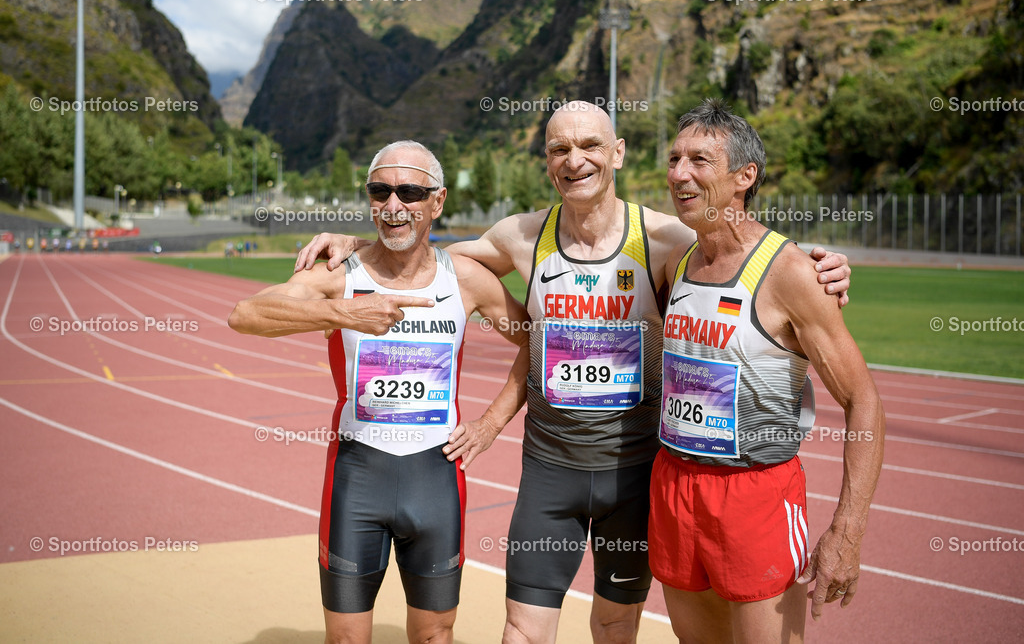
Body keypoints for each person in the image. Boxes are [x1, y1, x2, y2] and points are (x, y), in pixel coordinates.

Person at [293, 101, 853, 644]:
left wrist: (817, 262)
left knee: (615, 630)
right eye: (559, 147)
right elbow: (419, 255)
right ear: (546, 159)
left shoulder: (665, 240)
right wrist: (364, 243)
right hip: (549, 471)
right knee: (522, 630)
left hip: (633, 473)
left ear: (619, 153)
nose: (574, 159)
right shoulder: (519, 236)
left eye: (589, 145)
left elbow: (746, 252)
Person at [229, 140, 531, 644]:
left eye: (410, 191)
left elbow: (537, 340)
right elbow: (245, 315)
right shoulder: (336, 275)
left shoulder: (467, 281)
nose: (394, 205)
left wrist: (491, 423)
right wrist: (343, 313)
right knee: (347, 638)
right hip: (357, 477)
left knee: (435, 635)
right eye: (380, 191)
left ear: (437, 202)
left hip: (435, 477)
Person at [651, 99, 885, 643]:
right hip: (675, 484)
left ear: (745, 176)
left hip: (754, 493)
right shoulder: (677, 260)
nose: (679, 173)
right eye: (674, 158)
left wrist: (847, 533)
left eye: (700, 160)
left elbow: (863, 400)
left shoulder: (793, 273)